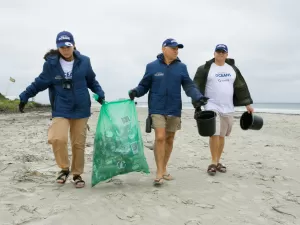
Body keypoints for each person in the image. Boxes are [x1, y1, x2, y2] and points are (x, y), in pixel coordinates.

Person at [18, 31, 105, 188]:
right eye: (62, 47)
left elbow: (92, 81)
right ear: (58, 48)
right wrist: (24, 96)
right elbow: (39, 83)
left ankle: (77, 174)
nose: (65, 49)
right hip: (61, 108)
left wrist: (100, 93)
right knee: (58, 138)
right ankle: (64, 169)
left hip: (81, 108)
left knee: (78, 143)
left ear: (73, 45)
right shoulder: (51, 65)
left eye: (68, 46)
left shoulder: (85, 62)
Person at [128, 38, 208, 185]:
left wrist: (198, 97)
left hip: (174, 108)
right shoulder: (152, 66)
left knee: (169, 138)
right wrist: (135, 92)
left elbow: (189, 86)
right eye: (173, 48)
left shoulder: (181, 67)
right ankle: (159, 171)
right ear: (164, 49)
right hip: (157, 108)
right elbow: (144, 85)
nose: (176, 50)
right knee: (160, 137)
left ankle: (164, 168)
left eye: (177, 48)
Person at [193, 44, 254, 176]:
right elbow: (196, 86)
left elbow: (241, 86)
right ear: (214, 53)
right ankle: (213, 162)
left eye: (223, 52)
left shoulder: (232, 69)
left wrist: (247, 104)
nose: (220, 54)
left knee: (222, 135)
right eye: (218, 51)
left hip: (228, 106)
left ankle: (218, 161)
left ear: (227, 54)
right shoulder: (205, 68)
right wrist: (197, 104)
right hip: (211, 105)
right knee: (213, 133)